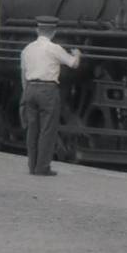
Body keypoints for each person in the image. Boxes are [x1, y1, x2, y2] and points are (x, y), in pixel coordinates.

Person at [20, 15, 81, 175]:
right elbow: (73, 64)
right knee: (47, 130)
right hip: (47, 91)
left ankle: (32, 166)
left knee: (32, 130)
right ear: (53, 32)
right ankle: (42, 168)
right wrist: (78, 54)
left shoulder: (27, 49)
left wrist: (25, 92)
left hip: (30, 89)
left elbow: (23, 73)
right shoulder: (54, 48)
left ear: (37, 30)